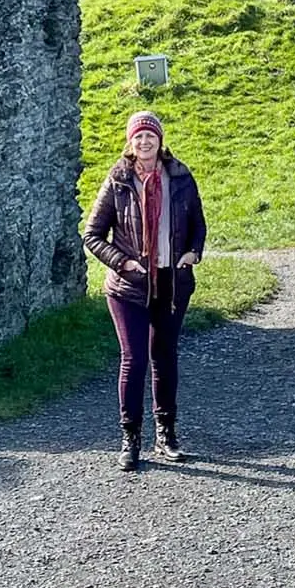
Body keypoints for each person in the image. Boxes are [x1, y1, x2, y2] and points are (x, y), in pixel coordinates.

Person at [83, 109, 207, 472]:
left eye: (150, 135)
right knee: (133, 359)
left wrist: (192, 253)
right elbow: (92, 235)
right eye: (138, 136)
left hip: (171, 283)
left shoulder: (180, 176)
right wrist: (122, 262)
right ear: (130, 141)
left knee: (164, 357)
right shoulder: (118, 179)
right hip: (129, 287)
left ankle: (166, 435)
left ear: (160, 139)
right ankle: (130, 437)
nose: (145, 141)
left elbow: (197, 223)